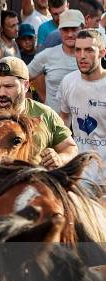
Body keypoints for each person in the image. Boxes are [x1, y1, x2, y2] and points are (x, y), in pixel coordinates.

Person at [58, 29, 106, 183]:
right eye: (78, 50)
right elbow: (63, 120)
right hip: (79, 174)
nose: (82, 56)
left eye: (89, 50)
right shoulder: (68, 81)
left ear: (102, 52)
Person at [28, 9, 84, 110]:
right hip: (53, 122)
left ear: (83, 28)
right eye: (65, 29)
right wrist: (28, 107)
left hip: (83, 122)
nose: (70, 34)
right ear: (60, 30)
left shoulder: (93, 56)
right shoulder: (47, 55)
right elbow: (22, 77)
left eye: (74, 29)